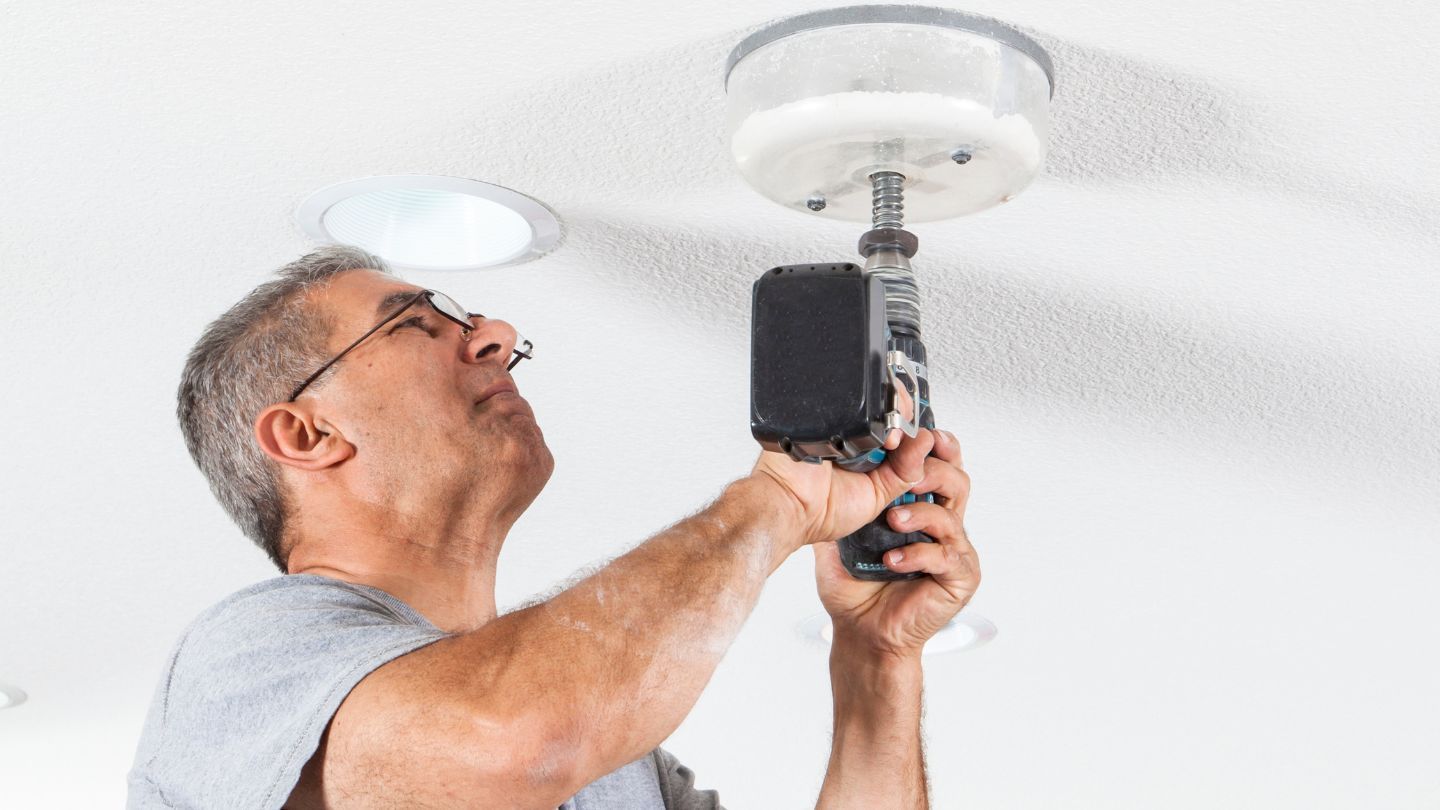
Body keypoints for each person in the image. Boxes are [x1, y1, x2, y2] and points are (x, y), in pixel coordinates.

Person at [126, 245, 979, 809]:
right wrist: (780, 501)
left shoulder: (618, 761)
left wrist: (877, 658)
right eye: (417, 324)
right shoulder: (246, 661)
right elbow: (514, 739)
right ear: (306, 435)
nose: (496, 335)